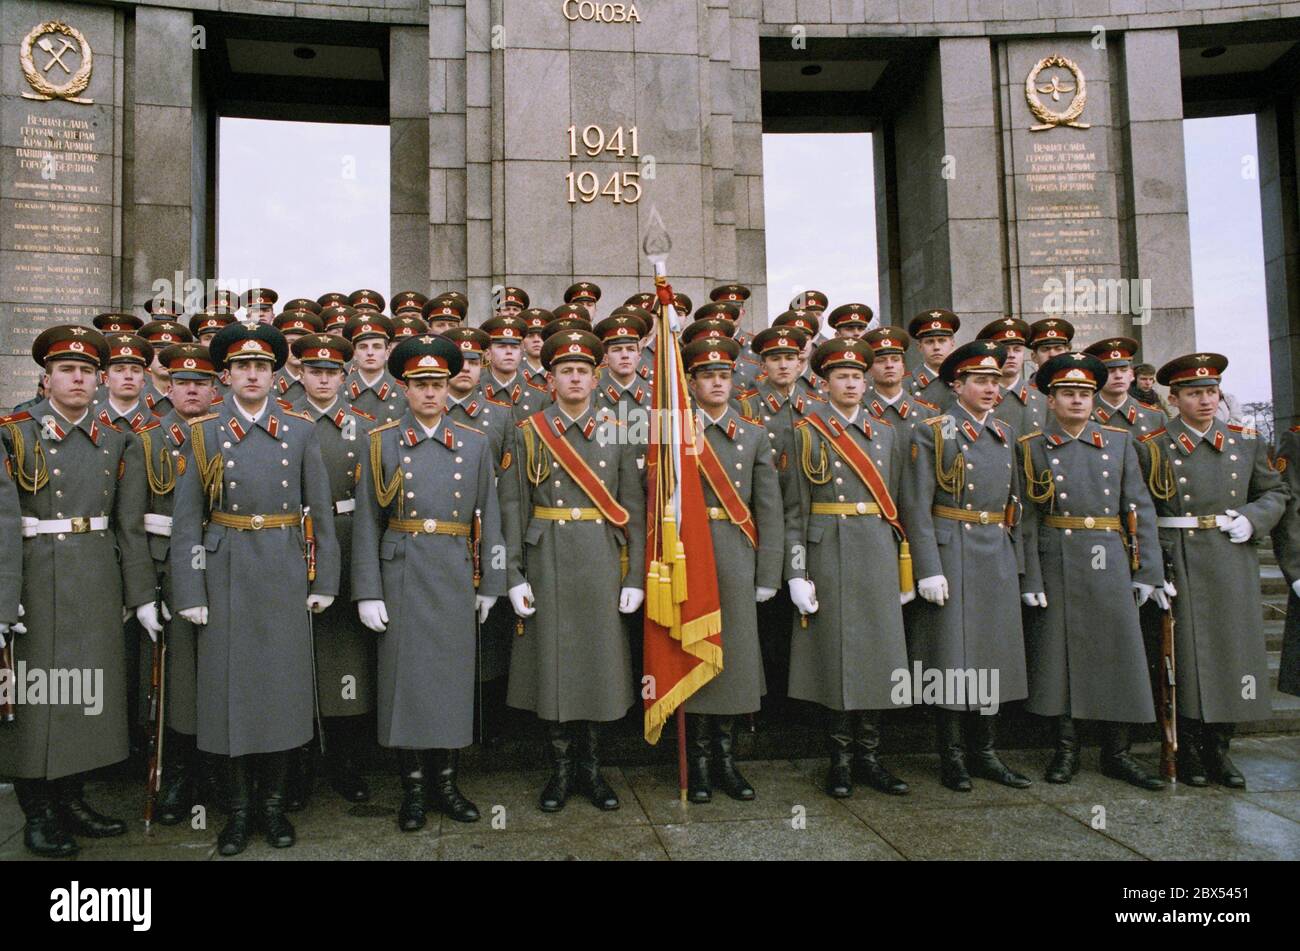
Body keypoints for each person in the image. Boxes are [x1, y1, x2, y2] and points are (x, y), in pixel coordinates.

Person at [170, 320, 340, 855]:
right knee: (230, 694)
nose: (252, 374)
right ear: (225, 375)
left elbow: (323, 515)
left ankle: (273, 805)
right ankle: (238, 811)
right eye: (242, 366)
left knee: (282, 692)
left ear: (274, 376)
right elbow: (186, 522)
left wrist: (324, 579)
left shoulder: (300, 432)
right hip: (226, 572)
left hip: (285, 569)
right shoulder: (203, 434)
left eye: (261, 366)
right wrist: (190, 592)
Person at [0, 325, 155, 857]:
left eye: (88, 371)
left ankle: (73, 798)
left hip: (94, 575)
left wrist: (140, 595)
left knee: (87, 696)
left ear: (101, 380)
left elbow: (128, 525)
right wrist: (3, 599)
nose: (78, 379)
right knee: (37, 698)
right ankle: (38, 812)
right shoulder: (14, 432)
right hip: (35, 578)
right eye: (67, 370)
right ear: (46, 378)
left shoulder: (117, 439)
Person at [352, 334, 504, 829]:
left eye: (438, 383)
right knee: (406, 679)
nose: (431, 393)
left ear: (449, 387)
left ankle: (447, 783)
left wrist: (491, 582)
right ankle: (413, 788)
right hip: (402, 569)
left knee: (451, 680)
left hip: (455, 570)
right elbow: (366, 523)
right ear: (405, 387)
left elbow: (492, 515)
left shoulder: (475, 442)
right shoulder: (381, 441)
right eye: (421, 384)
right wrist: (368, 590)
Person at [499, 328, 646, 812]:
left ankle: (593, 770)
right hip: (547, 558)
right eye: (567, 371)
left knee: (599, 666)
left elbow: (633, 508)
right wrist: (514, 574)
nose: (576, 378)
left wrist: (635, 576)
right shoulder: (529, 432)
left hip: (601, 558)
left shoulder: (618, 430)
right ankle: (560, 772)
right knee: (554, 665)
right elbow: (513, 506)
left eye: (584, 371)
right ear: (551, 378)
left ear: (595, 376)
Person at [1137, 353, 1288, 788]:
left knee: (1231, 653)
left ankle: (1220, 747)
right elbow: (1140, 507)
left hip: (1229, 555)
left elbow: (1275, 491)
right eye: (1193, 393)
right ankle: (1186, 750)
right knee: (1181, 656)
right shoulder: (1153, 445)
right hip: (1178, 556)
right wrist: (1150, 566)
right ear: (1174, 398)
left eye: (1210, 391)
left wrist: (1253, 518)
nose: (1205, 400)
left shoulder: (1245, 440)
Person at [1017, 351, 1166, 790]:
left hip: (1109, 556)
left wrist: (1147, 571)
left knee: (1117, 653)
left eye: (1084, 393)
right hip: (1056, 555)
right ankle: (1066, 751)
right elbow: (1025, 516)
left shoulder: (1118, 442)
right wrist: (1031, 576)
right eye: (1068, 393)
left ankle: (1117, 753)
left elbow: (1139, 507)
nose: (1077, 401)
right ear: (1050, 398)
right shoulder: (1031, 447)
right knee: (1059, 657)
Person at [898, 340, 1032, 792]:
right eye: (980, 380)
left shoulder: (1005, 432)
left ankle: (986, 752)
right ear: (957, 385)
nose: (991, 388)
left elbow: (1018, 504)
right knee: (952, 658)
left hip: (994, 548)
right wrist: (927, 566)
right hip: (950, 547)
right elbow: (915, 505)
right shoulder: (932, 431)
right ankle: (952, 756)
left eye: (995, 380)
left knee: (992, 653)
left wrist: (1021, 564)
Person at [783, 338, 913, 798]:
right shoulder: (805, 432)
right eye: (843, 376)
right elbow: (794, 511)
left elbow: (901, 505)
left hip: (876, 549)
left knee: (878, 654)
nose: (853, 383)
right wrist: (795, 572)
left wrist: (908, 568)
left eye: (859, 376)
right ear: (824, 382)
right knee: (836, 655)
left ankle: (871, 757)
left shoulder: (887, 433)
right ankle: (838, 759)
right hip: (828, 549)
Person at [678, 337, 782, 803]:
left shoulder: (754, 434)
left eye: (724, 376)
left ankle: (727, 760)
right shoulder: (674, 432)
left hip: (739, 555)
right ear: (693, 383)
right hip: (692, 553)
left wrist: (768, 573)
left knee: (734, 659)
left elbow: (770, 508)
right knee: (695, 655)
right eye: (707, 376)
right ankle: (697, 764)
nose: (717, 383)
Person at [288, 333, 378, 805]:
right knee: (300, 657)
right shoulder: (283, 421)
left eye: (331, 373)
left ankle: (346, 762)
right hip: (295, 543)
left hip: (346, 536)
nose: (323, 379)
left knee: (347, 658)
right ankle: (299, 763)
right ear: (299, 374)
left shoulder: (363, 427)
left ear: (344, 378)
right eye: (314, 371)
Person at [136, 343, 221, 823]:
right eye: (182, 382)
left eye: (201, 383)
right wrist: (146, 590)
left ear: (215, 389)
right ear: (167, 388)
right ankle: (178, 778)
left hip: (227, 568)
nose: (192, 390)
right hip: (171, 573)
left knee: (222, 677)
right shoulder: (147, 441)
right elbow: (133, 523)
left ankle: (219, 772)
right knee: (180, 687)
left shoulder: (227, 436)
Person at [977, 318, 1045, 439]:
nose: (1012, 355)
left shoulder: (1042, 400)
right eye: (1005, 349)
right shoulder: (975, 399)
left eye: (1017, 350)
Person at [863, 326, 938, 435]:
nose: (889, 365)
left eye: (895, 360)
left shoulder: (929, 414)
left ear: (903, 367)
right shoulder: (858, 412)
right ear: (870, 370)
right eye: (880, 361)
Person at [1083, 337, 1166, 435]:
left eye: (1123, 370)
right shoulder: (1080, 413)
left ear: (1131, 375)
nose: (1118, 376)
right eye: (1110, 371)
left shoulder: (1155, 417)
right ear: (1096, 377)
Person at [343, 313, 404, 422]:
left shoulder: (405, 394)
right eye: (363, 347)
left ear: (387, 352)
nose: (370, 353)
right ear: (354, 353)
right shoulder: (339, 392)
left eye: (377, 347)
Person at [906, 309, 960, 409]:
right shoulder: (905, 385)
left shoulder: (965, 379)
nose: (936, 347)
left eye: (942, 341)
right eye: (930, 342)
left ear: (952, 343)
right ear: (920, 347)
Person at [272, 309, 325, 405]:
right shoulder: (268, 382)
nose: (295, 348)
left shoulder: (325, 382)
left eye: (303, 343)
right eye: (290, 342)